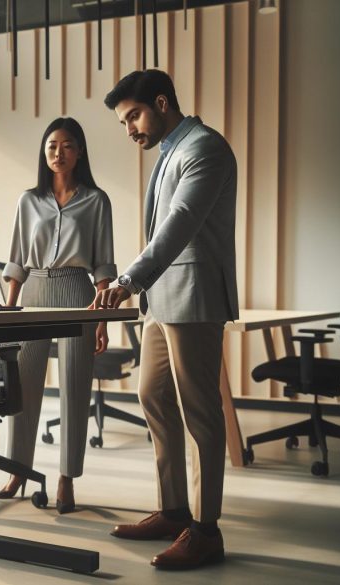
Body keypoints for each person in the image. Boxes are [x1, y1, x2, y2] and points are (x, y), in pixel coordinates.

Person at [94, 69, 238, 570]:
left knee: (200, 411)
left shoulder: (205, 148)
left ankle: (206, 529)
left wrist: (128, 279)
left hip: (194, 297)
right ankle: (174, 509)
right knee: (151, 394)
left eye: (133, 116)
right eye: (123, 122)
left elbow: (180, 224)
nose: (130, 129)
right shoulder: (170, 152)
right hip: (161, 299)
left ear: (161, 103)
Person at [0, 117, 115, 514]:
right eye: (51, 145)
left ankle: (67, 477)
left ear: (79, 152)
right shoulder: (28, 201)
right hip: (33, 292)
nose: (58, 152)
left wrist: (101, 320)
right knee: (22, 386)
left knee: (75, 389)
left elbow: (104, 266)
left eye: (66, 145)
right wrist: (10, 312)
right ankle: (17, 470)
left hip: (77, 293)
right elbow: (16, 260)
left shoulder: (96, 201)